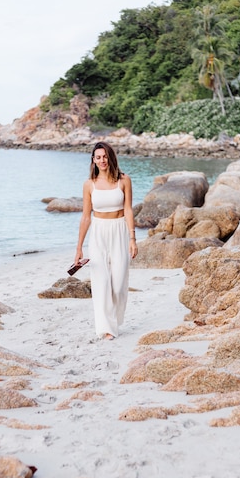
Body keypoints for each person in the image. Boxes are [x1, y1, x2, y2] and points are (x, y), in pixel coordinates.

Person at [74, 141, 138, 340]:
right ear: (93, 160)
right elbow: (86, 217)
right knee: (101, 281)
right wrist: (79, 248)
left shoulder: (124, 180)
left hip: (119, 230)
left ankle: (115, 320)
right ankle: (106, 328)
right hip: (98, 233)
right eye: (98, 157)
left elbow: (128, 209)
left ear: (111, 157)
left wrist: (132, 238)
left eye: (105, 156)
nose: (102, 160)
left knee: (118, 284)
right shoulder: (89, 184)